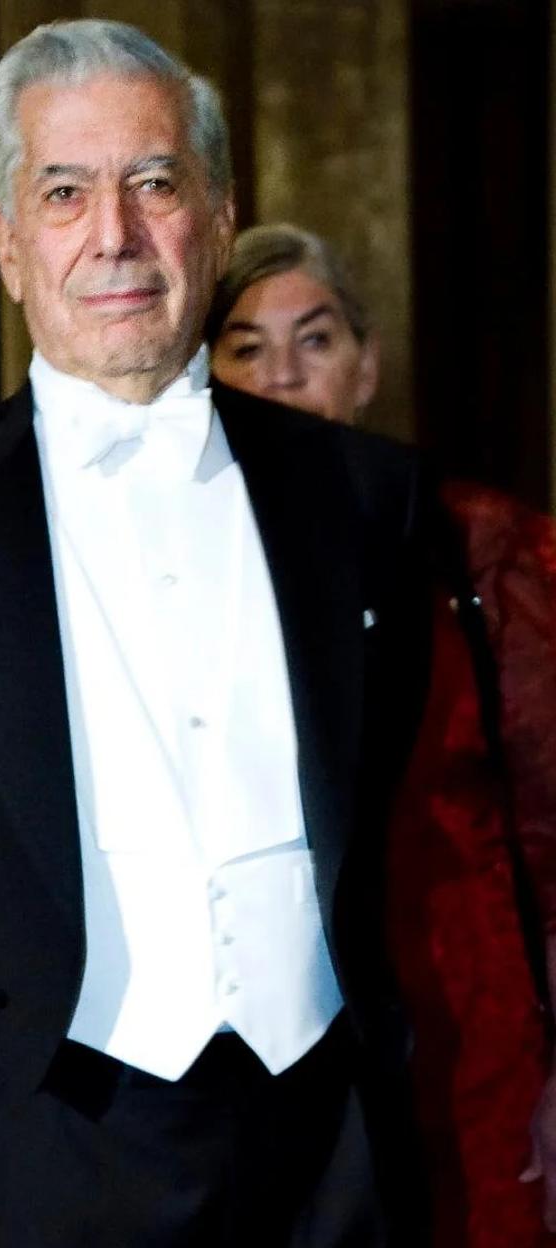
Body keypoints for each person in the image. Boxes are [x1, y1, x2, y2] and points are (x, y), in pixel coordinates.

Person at [0, 18, 435, 1247]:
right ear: (6, 242)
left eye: (156, 183)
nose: (114, 236)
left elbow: (391, 800)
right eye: (64, 193)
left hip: (332, 1143)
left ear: (222, 216)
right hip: (34, 1137)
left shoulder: (367, 497)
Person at [208, 221, 556, 1248]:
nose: (282, 377)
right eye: (245, 346)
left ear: (364, 366)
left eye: (314, 342)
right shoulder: (181, 572)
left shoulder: (482, 548)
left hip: (469, 1022)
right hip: (273, 1047)